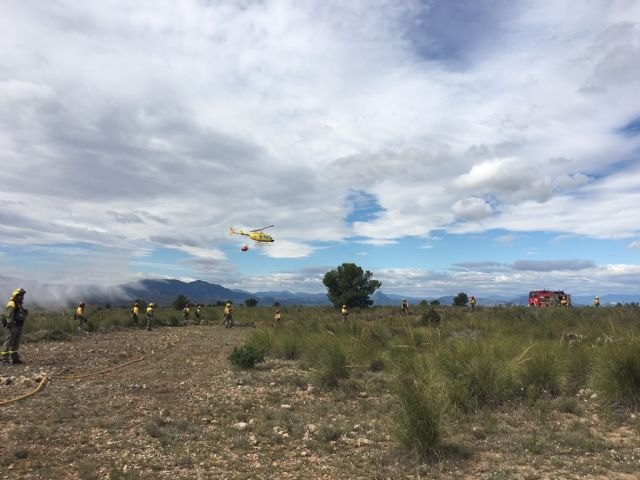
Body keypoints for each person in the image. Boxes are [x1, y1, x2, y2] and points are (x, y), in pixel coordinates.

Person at [1, 288, 28, 365]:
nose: (22, 297)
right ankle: (4, 359)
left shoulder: (18, 304)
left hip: (18, 326)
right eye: (20, 295)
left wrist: (24, 312)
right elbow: (9, 316)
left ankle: (15, 359)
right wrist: (11, 326)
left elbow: (19, 315)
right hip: (13, 326)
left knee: (15, 343)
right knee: (8, 342)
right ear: (16, 295)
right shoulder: (12, 303)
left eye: (22, 295)